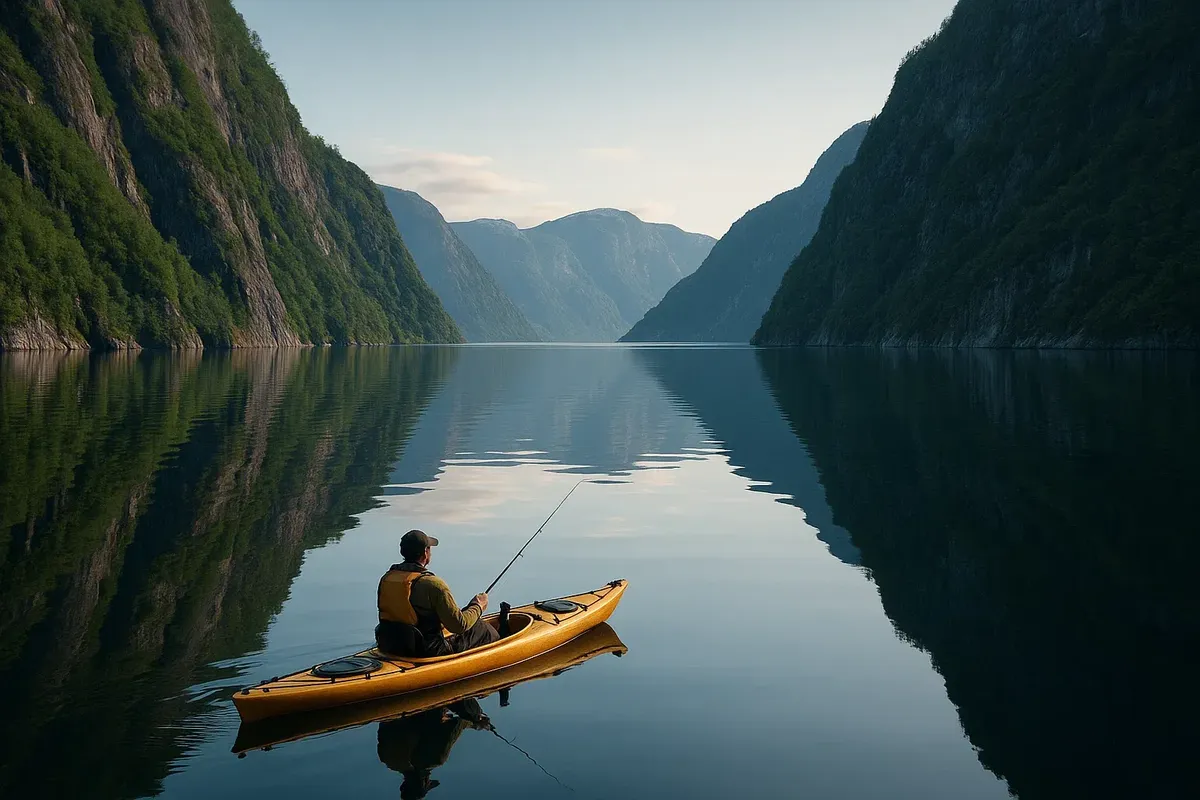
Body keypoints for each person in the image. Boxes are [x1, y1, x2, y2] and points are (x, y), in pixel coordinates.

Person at [375, 529, 500, 657]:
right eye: (429, 548)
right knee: (483, 629)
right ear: (425, 553)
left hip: (390, 645)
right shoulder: (433, 585)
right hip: (426, 651)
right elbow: (459, 626)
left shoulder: (387, 578)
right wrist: (478, 606)